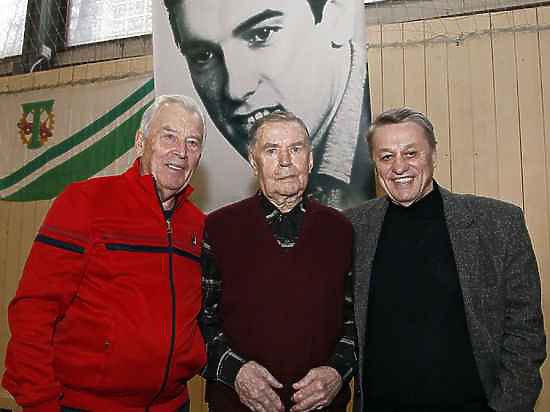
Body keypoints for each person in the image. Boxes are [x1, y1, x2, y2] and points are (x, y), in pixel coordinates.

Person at [2, 95, 208, 412]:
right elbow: (34, 310)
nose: (181, 151)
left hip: (172, 405)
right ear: (140, 142)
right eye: (169, 136)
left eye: (192, 143)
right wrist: (40, 402)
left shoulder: (198, 225)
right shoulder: (84, 203)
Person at [345, 107, 546, 412]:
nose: (399, 166)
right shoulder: (352, 228)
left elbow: (525, 330)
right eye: (386, 156)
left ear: (434, 155)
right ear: (374, 163)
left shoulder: (498, 223)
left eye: (411, 153)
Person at [199, 111, 356, 411]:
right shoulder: (218, 228)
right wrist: (236, 373)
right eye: (271, 150)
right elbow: (199, 320)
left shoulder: (341, 230)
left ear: (310, 160)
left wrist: (338, 372)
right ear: (253, 161)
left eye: (295, 149)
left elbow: (357, 321)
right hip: (235, 404)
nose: (285, 161)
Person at [162, 0, 374, 209]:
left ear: (337, 19)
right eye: (202, 56)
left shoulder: (381, 168)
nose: (235, 90)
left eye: (262, 35)